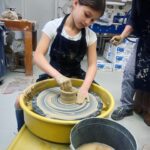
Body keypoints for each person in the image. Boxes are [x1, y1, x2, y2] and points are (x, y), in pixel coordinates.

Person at [15, 0, 106, 131]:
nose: (87, 22)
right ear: (75, 3)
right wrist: (58, 76)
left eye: (92, 20)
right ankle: (22, 132)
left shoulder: (90, 35)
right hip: (53, 74)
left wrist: (84, 88)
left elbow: (92, 65)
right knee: (19, 102)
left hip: (76, 76)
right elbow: (38, 56)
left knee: (100, 106)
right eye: (87, 15)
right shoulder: (53, 26)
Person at [110, 0, 150, 123]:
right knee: (129, 72)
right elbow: (133, 18)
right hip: (144, 39)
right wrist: (122, 36)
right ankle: (126, 106)